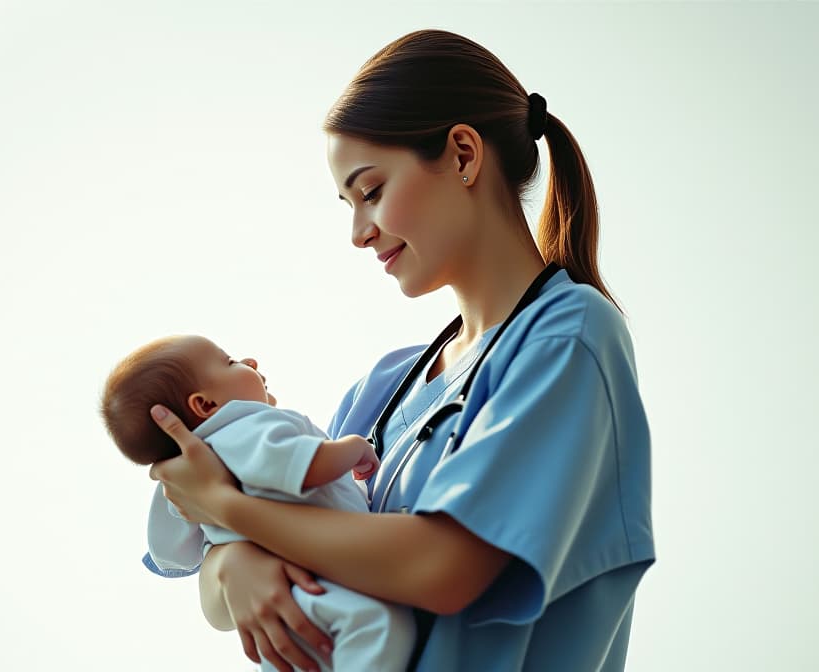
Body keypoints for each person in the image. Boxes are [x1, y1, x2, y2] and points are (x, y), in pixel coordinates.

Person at [147, 28, 655, 672]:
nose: (359, 233)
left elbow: (444, 568)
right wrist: (233, 560)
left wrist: (224, 506)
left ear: (464, 155)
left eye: (371, 191)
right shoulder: (384, 387)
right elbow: (238, 584)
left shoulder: (570, 338)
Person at [100, 334, 416, 671]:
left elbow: (170, 554)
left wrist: (227, 546)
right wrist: (352, 448)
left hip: (276, 608)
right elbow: (307, 466)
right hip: (317, 583)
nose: (250, 361)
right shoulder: (248, 424)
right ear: (205, 405)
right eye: (230, 362)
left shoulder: (184, 475)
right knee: (380, 628)